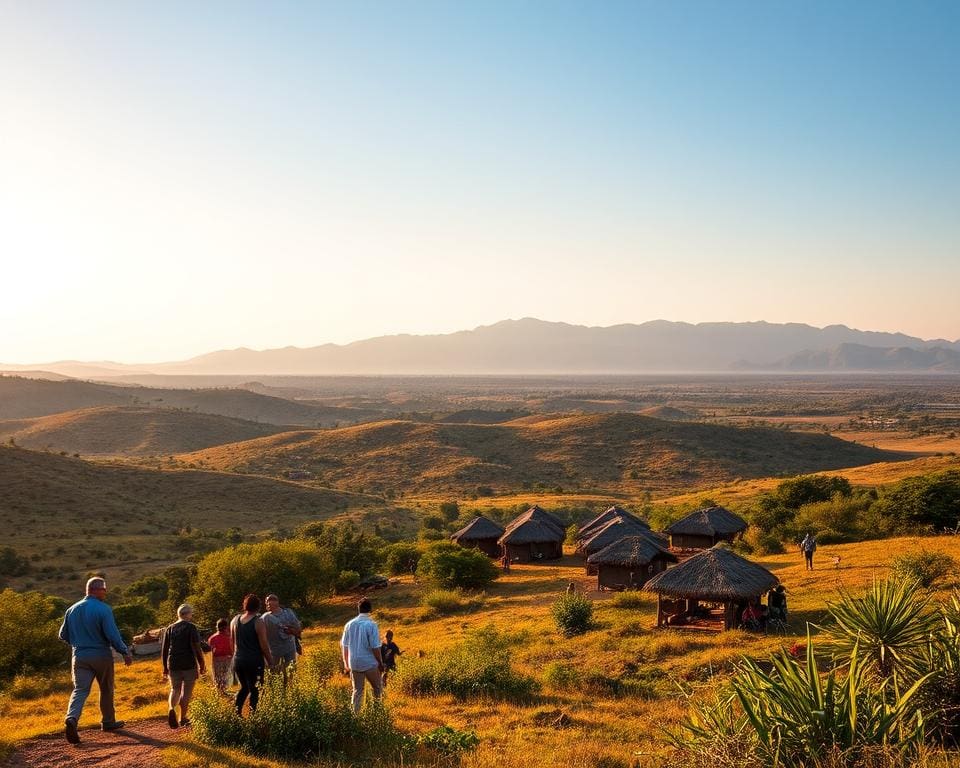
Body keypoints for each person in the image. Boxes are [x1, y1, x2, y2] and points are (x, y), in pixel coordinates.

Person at [58, 576, 133, 744]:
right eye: (104, 589)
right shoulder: (103, 609)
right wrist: (125, 652)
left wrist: (79, 643)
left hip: (79, 656)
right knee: (106, 688)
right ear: (96, 590)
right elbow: (112, 635)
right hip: (101, 655)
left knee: (80, 690)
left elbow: (62, 635)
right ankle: (108, 722)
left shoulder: (71, 609)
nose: (106, 592)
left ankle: (72, 718)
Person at [161, 603, 206, 729]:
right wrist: (201, 663)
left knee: (175, 689)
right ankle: (183, 718)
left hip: (173, 663)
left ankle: (171, 708)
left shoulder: (169, 628)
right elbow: (197, 646)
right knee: (186, 691)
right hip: (189, 663)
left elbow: (164, 650)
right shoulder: (191, 627)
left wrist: (165, 667)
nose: (191, 615)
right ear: (187, 614)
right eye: (191, 613)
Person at [231, 594, 273, 716]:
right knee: (256, 689)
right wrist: (270, 661)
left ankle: (236, 714)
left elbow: (233, 641)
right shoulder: (258, 622)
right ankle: (254, 716)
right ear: (258, 607)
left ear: (245, 606)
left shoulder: (235, 620)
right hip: (253, 661)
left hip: (238, 660)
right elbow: (264, 645)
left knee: (244, 687)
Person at [341, 598, 384, 712]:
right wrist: (380, 662)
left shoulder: (349, 625)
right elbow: (375, 647)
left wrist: (346, 663)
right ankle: (377, 712)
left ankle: (355, 716)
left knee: (357, 691)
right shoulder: (371, 625)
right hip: (369, 662)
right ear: (370, 609)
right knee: (378, 688)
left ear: (358, 609)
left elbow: (344, 646)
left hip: (354, 662)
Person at [262, 594, 302, 673]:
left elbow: (298, 628)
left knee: (291, 670)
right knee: (273, 671)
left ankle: (290, 684)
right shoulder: (265, 617)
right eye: (266, 602)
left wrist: (292, 630)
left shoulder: (288, 613)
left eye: (269, 602)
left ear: (277, 602)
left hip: (289, 646)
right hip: (273, 649)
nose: (267, 604)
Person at [207, 618, 233, 695]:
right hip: (228, 658)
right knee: (226, 676)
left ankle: (220, 692)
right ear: (226, 626)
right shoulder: (230, 637)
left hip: (217, 659)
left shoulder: (212, 638)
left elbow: (211, 650)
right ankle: (222, 691)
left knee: (218, 676)